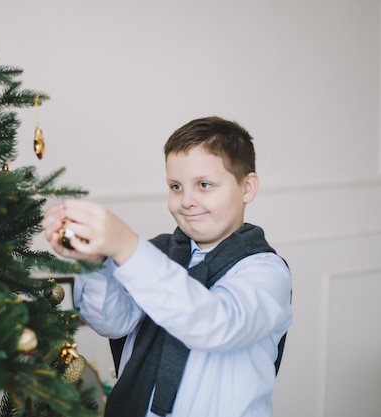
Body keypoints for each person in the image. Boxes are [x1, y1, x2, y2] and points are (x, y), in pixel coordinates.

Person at [42, 116, 292, 417]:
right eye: (175, 186)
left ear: (247, 187)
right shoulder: (154, 254)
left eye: (204, 185)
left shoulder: (265, 271)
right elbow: (112, 323)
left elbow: (214, 324)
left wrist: (126, 247)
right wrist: (94, 262)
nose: (186, 200)